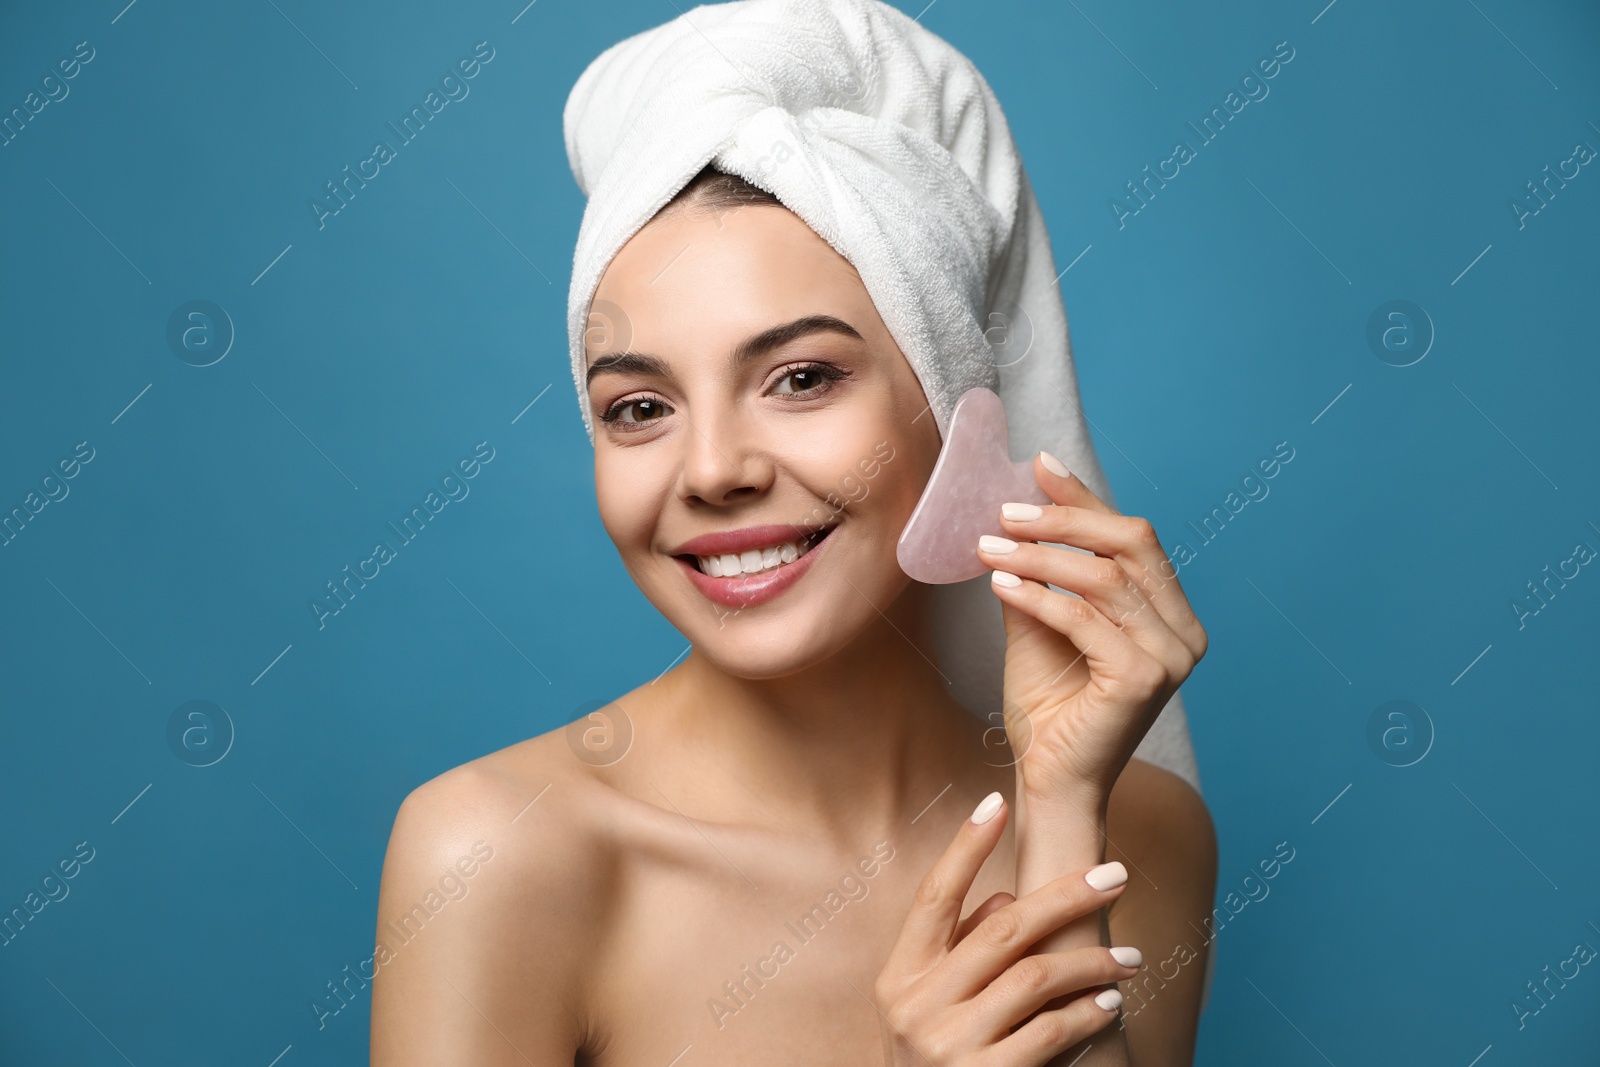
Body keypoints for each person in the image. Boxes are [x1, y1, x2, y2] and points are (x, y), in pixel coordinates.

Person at [373, 4, 1216, 1065]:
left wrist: (1057, 810)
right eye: (638, 406)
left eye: (801, 378)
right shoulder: (497, 852)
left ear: (959, 409)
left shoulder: (1138, 832)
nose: (714, 468)